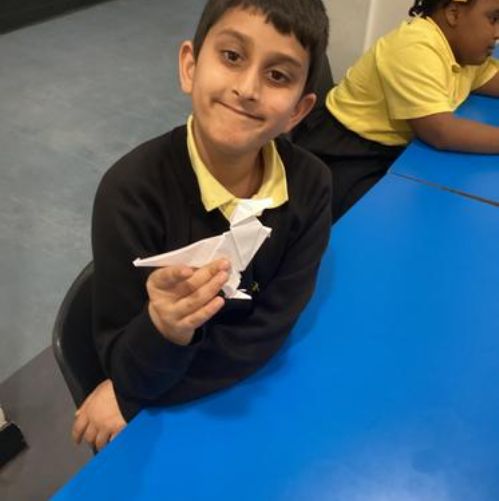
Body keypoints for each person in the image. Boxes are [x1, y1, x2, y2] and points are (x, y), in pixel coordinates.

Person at [72, 0, 331, 451]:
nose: (247, 88)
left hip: (240, 403)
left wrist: (133, 392)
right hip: (170, 421)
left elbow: (271, 327)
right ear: (190, 66)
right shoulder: (129, 194)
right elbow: (118, 354)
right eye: (232, 56)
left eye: (278, 76)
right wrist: (163, 329)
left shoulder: (311, 185)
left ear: (298, 110)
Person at [294, 0, 499, 223]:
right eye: (493, 19)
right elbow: (439, 130)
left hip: (389, 148)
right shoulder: (416, 46)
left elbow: (489, 80)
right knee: (380, 221)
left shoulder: (464, 53)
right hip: (345, 151)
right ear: (453, 13)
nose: (497, 33)